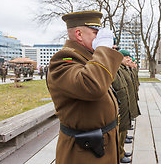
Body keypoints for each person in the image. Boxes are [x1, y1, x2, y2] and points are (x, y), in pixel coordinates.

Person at [46, 11, 123, 164]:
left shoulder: (88, 57)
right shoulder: (63, 59)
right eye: (95, 33)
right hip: (84, 152)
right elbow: (92, 86)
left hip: (101, 144)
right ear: (79, 34)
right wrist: (103, 49)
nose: (99, 37)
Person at [112, 49, 133, 163]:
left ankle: (121, 151)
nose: (129, 59)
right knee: (119, 132)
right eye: (127, 57)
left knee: (123, 130)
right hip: (120, 106)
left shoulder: (121, 69)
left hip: (124, 105)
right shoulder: (116, 68)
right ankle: (119, 154)